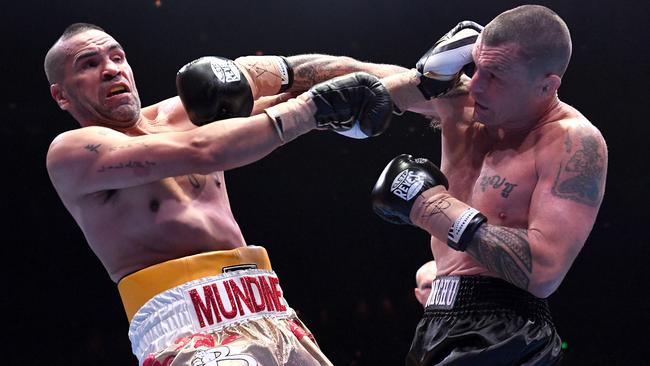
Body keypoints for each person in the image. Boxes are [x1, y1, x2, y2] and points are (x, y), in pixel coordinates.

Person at [43, 23, 396, 365]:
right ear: (61, 95)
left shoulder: (186, 111)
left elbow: (295, 78)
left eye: (117, 57)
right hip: (181, 324)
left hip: (268, 304)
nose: (110, 70)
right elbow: (204, 150)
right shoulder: (70, 153)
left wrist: (422, 83)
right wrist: (311, 110)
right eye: (89, 64)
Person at [369, 5, 608, 365]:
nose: (475, 83)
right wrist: (281, 75)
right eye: (476, 67)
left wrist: (432, 207)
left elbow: (543, 271)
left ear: (546, 85)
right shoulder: (469, 108)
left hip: (505, 332)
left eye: (495, 76)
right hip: (435, 321)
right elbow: (363, 88)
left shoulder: (573, 141)